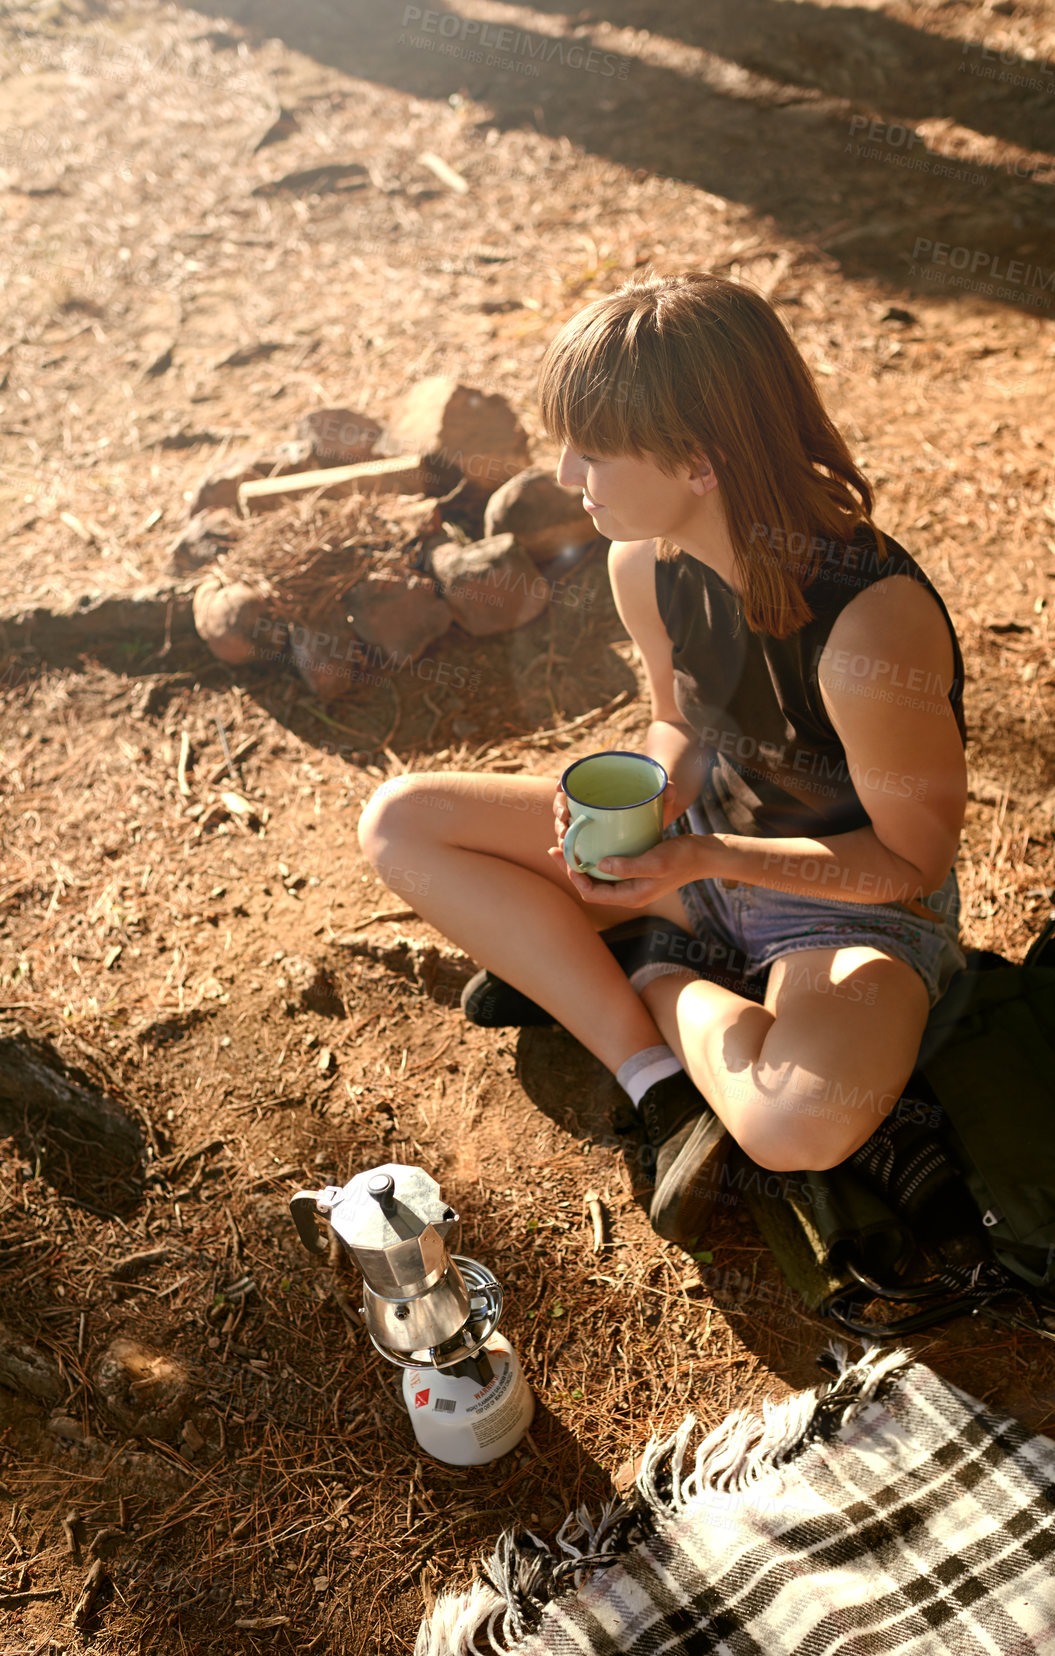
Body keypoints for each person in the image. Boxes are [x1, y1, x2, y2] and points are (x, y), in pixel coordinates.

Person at [357, 272, 968, 1245]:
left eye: (592, 453)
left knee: (794, 1122)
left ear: (697, 464)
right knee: (401, 822)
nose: (565, 477)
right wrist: (649, 803)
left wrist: (704, 862)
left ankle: (649, 967)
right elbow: (674, 720)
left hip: (846, 906)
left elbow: (912, 866)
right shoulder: (641, 558)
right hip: (700, 853)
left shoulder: (869, 634)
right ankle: (655, 1080)